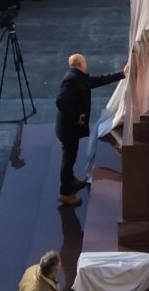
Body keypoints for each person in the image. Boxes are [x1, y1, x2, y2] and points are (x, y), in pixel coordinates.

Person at [54, 52, 127, 206]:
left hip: (70, 129)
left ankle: (71, 180)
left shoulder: (78, 77)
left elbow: (98, 80)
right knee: (68, 159)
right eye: (84, 61)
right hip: (68, 129)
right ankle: (65, 193)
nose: (86, 63)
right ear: (81, 64)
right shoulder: (71, 80)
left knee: (71, 156)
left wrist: (122, 74)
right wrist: (76, 117)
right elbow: (60, 101)